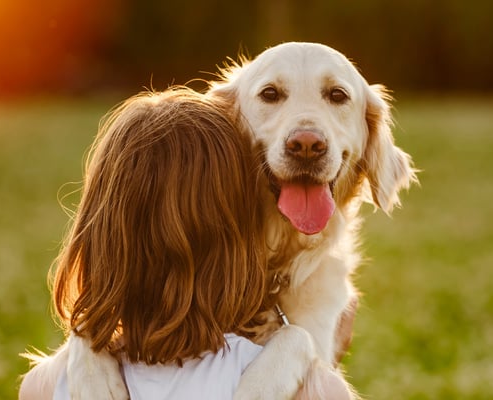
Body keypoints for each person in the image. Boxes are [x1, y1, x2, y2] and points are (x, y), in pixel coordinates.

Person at [19, 88, 352, 399]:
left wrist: (87, 333)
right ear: (237, 236)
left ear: (96, 237)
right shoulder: (315, 387)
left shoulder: (43, 385)